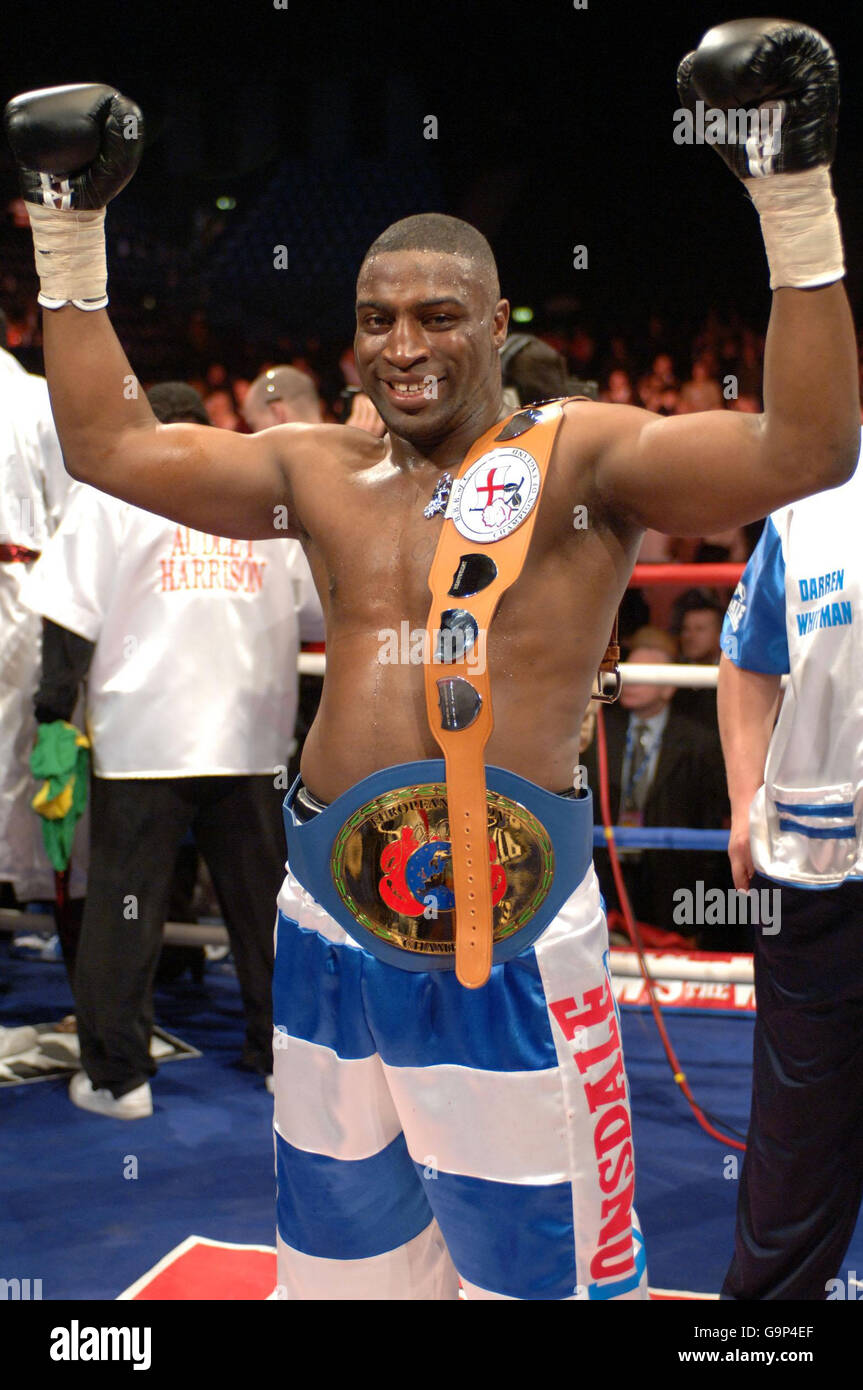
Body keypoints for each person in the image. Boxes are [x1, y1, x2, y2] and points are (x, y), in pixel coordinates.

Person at [5, 18, 859, 1298]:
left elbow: (803, 448)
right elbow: (113, 449)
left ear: (496, 320)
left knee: (541, 1282)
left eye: (437, 317)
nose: (402, 346)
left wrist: (790, 192)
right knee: (342, 1271)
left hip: (509, 942)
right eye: (376, 320)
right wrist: (68, 235)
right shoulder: (320, 472)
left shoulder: (583, 457)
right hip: (327, 929)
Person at [24, 381, 322, 1118]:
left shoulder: (118, 485)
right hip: (254, 739)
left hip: (142, 739)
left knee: (125, 909)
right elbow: (320, 609)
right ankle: (286, 1061)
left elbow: (67, 616)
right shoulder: (264, 491)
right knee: (264, 913)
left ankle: (119, 1079)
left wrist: (53, 717)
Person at [718, 430, 863, 1300]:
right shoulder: (809, 501)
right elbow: (746, 657)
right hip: (813, 875)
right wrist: (744, 799)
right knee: (792, 1155)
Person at [583, 628, 732, 943]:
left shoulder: (698, 742)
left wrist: (698, 902)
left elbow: (708, 816)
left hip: (670, 876)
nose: (631, 683)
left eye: (644, 675)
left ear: (668, 688)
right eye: (629, 673)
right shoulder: (598, 731)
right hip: (607, 868)